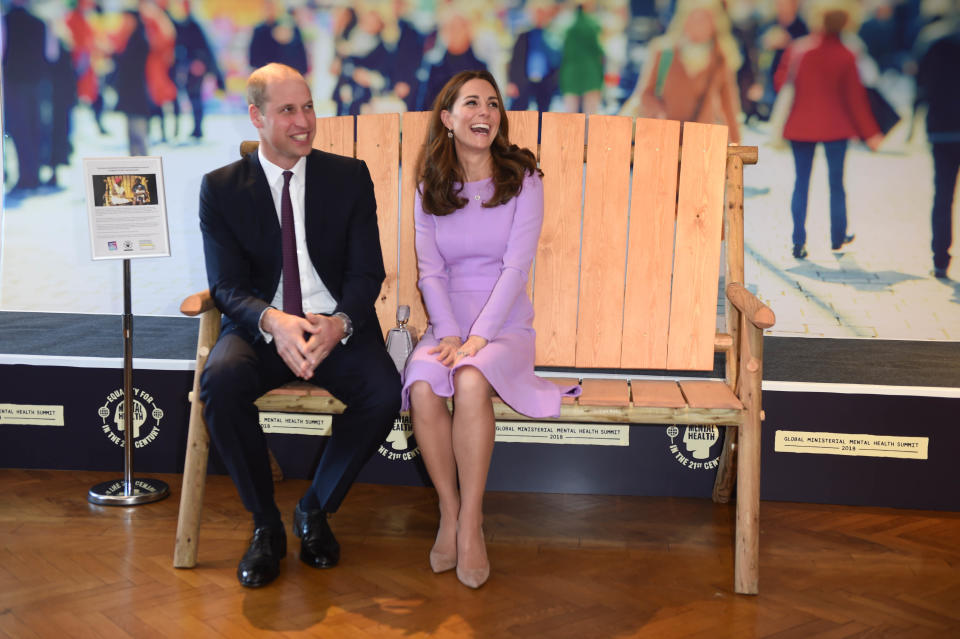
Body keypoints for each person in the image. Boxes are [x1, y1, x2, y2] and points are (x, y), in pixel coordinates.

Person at [198, 63, 401, 588]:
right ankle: (266, 526)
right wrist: (273, 321)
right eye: (288, 109)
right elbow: (225, 287)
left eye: (308, 106)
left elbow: (366, 270)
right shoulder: (221, 188)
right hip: (263, 328)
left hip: (334, 325)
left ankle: (314, 510)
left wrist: (341, 323)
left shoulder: (348, 176)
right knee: (220, 382)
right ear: (257, 117)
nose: (304, 121)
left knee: (383, 392)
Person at [401, 70, 580, 589]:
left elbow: (516, 268)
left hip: (504, 327)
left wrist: (478, 338)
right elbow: (430, 272)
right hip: (446, 324)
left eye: (494, 104)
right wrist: (452, 335)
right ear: (448, 118)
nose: (485, 112)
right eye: (472, 103)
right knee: (423, 384)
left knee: (472, 378)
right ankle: (450, 512)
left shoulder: (523, 178)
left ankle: (473, 520)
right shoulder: (430, 186)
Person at [775, 0, 883, 258]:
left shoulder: (799, 49)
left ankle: (798, 239)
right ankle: (837, 236)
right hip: (837, 127)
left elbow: (780, 82)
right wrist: (870, 133)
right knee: (837, 183)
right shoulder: (846, 54)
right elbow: (855, 98)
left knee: (801, 182)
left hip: (800, 126)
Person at [619, 0, 742, 143]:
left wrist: (736, 146)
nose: (699, 25)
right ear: (684, 20)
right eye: (694, 18)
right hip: (661, 138)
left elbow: (729, 107)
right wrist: (660, 116)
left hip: (698, 141)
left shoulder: (720, 58)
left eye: (705, 19)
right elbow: (644, 93)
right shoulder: (663, 51)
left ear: (715, 23)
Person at [913, 5, 960, 279]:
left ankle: (940, 258)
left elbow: (920, 81)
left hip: (942, 128)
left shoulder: (932, 39)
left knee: (942, 195)